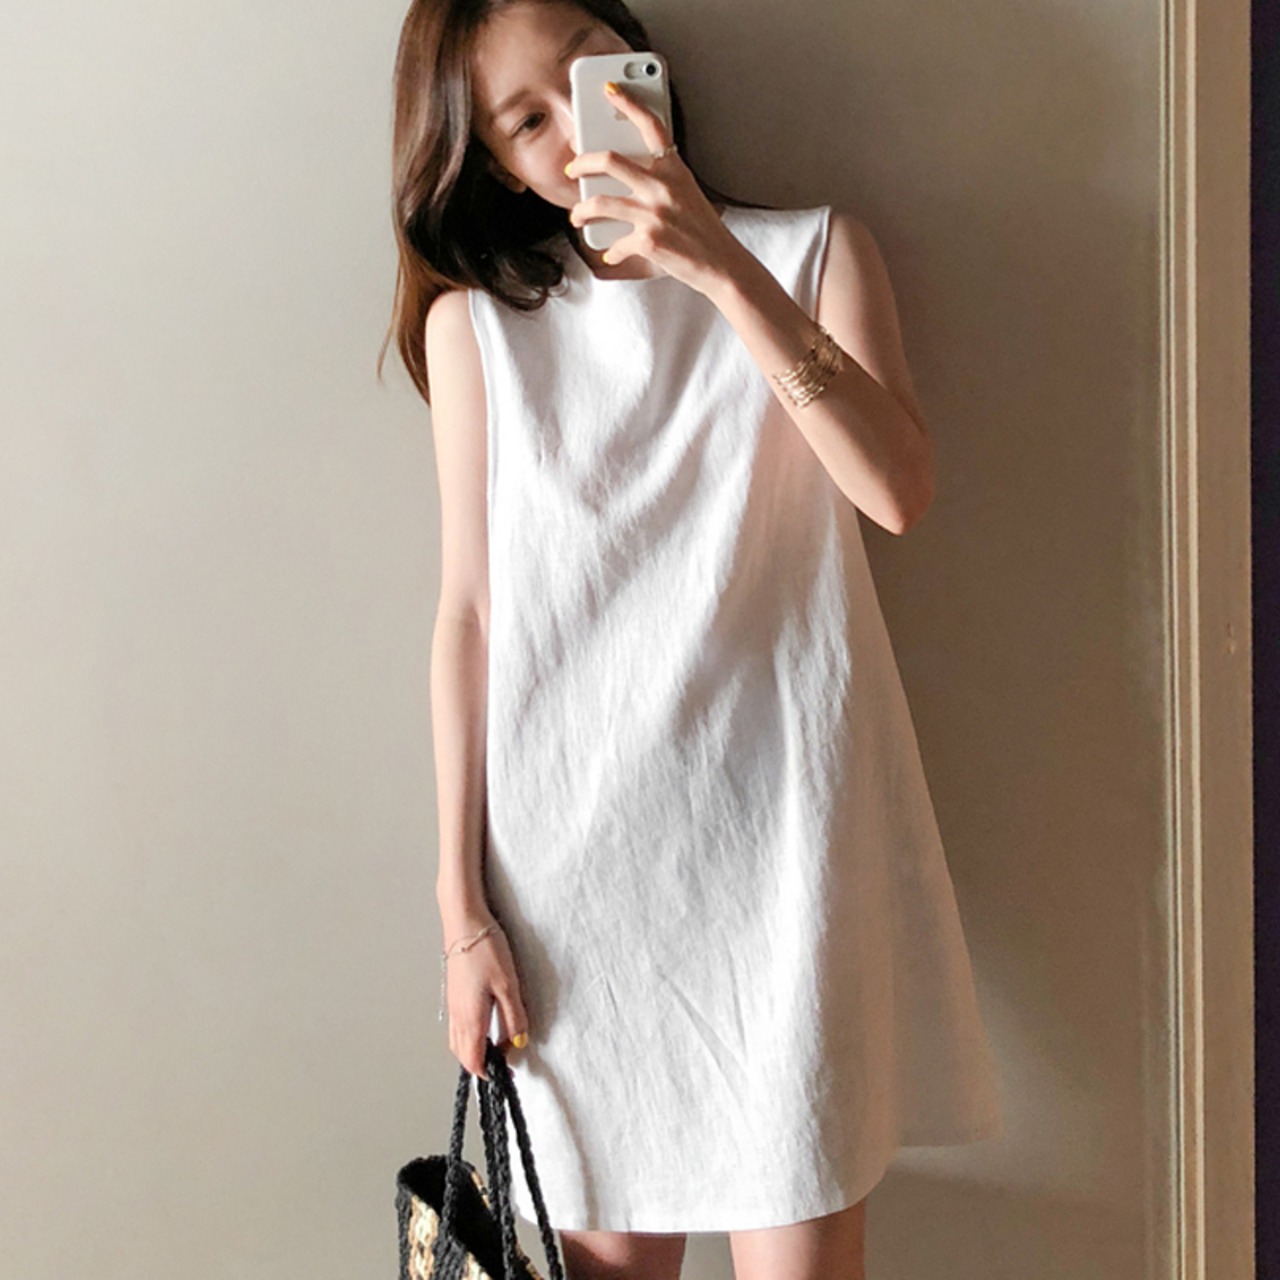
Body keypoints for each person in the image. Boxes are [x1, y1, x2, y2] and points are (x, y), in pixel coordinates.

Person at [379, 2, 1003, 1277]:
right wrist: (459, 910)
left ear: (636, 55)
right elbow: (469, 615)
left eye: (585, 71)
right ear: (493, 165)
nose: (575, 129)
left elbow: (894, 490)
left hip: (789, 861)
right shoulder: (478, 328)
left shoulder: (813, 251)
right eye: (526, 120)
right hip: (575, 885)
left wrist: (715, 262)